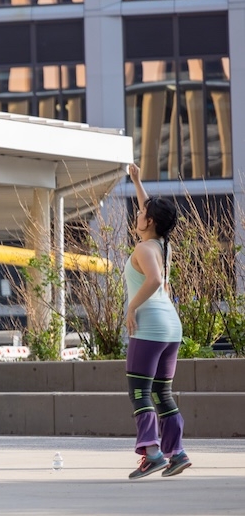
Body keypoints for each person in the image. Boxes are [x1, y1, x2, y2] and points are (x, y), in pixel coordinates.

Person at [124, 163, 190, 479]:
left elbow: (153, 279)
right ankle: (176, 452)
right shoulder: (163, 243)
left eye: (142, 214)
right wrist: (137, 180)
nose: (137, 214)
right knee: (162, 392)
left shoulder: (144, 247)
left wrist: (131, 309)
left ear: (149, 222)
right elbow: (147, 208)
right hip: (170, 327)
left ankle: (152, 453)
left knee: (139, 390)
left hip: (149, 326)